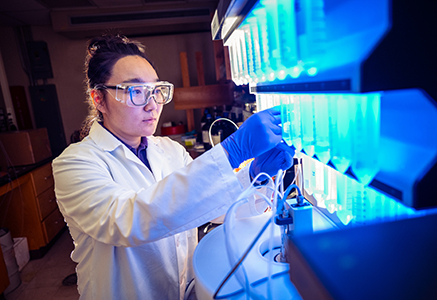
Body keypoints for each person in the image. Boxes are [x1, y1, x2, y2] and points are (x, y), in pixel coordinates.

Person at [52, 34, 295, 300]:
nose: (152, 104)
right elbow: (128, 220)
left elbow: (207, 210)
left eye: (156, 91)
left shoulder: (170, 151)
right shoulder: (73, 164)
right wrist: (233, 152)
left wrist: (254, 177)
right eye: (136, 91)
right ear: (99, 98)